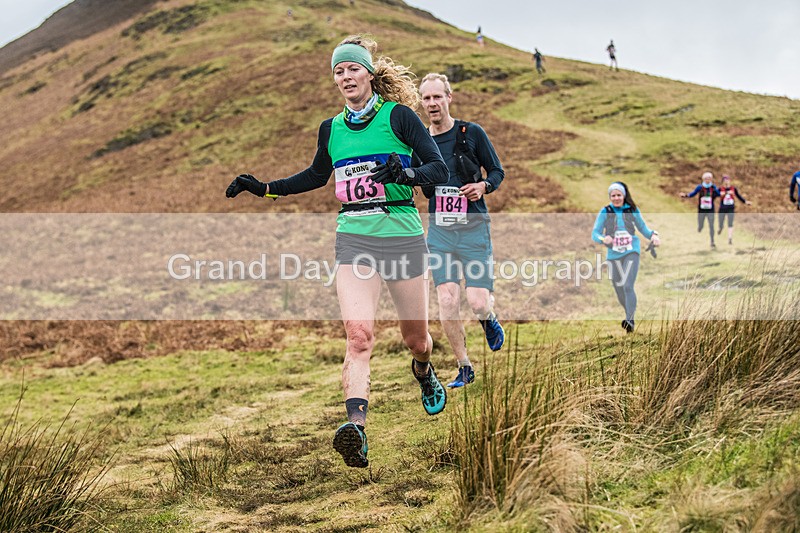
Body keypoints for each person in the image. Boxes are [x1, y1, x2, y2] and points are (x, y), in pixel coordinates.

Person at [225, 35, 449, 468]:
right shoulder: (331, 129)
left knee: (416, 339)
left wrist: (406, 171)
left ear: (369, 73)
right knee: (359, 336)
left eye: (352, 68)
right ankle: (356, 429)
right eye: (338, 71)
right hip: (354, 237)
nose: (346, 76)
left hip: (401, 234)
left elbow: (437, 169)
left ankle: (423, 371)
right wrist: (266, 188)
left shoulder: (399, 118)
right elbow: (315, 175)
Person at [418, 72, 505, 389]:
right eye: (426, 98)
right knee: (447, 299)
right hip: (440, 233)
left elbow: (497, 171)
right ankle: (464, 366)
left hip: (473, 228)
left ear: (448, 98)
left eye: (437, 96)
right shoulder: (421, 142)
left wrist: (483, 186)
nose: (432, 103)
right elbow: (421, 182)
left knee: (478, 302)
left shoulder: (472, 133)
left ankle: (488, 319)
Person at [592, 182, 660, 333]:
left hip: (631, 251)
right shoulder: (605, 211)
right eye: (613, 195)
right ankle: (629, 315)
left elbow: (643, 228)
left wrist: (654, 235)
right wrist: (604, 239)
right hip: (613, 254)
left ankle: (630, 320)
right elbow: (595, 233)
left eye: (619, 195)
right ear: (610, 197)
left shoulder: (632, 210)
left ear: (623, 196)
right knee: (618, 288)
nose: (616, 198)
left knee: (628, 285)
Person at [680, 171, 720, 248]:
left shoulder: (713, 187)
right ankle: (700, 227)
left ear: (711, 179)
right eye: (706, 179)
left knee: (711, 225)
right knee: (701, 223)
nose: (708, 180)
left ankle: (712, 241)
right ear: (703, 179)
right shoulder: (700, 187)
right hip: (702, 209)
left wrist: (719, 192)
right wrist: (686, 195)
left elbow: (718, 194)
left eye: (709, 178)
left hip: (710, 209)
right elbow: (693, 193)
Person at [717, 174, 752, 245]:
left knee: (730, 223)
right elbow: (715, 195)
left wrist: (745, 202)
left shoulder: (733, 188)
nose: (726, 181)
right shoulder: (720, 189)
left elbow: (739, 196)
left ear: (730, 181)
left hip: (730, 208)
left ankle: (730, 238)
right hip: (722, 208)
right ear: (722, 182)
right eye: (725, 180)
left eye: (727, 180)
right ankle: (720, 228)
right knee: (721, 222)